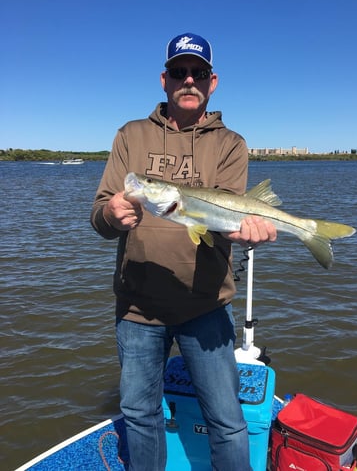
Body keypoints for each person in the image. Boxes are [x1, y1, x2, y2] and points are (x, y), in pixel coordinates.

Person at [91, 32, 277, 471]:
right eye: (179, 71)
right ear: (164, 79)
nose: (188, 79)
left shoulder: (230, 144)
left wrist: (244, 232)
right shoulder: (130, 135)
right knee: (139, 415)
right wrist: (110, 215)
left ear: (212, 82)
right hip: (137, 309)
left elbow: (226, 222)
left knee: (228, 421)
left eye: (198, 72)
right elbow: (99, 214)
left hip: (206, 307)